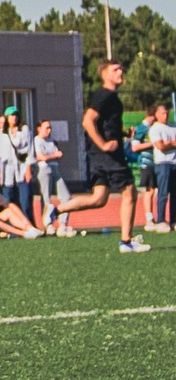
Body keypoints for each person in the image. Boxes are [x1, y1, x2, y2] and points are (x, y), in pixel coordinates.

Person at [56, 61, 147, 253]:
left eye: (121, 68)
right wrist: (104, 144)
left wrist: (122, 134)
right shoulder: (104, 95)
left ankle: (57, 210)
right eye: (115, 69)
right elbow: (87, 121)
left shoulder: (112, 98)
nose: (121, 71)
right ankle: (126, 242)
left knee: (99, 198)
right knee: (130, 191)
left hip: (98, 156)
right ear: (105, 75)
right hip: (107, 155)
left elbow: (105, 125)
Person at [29, 118, 70, 233]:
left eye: (50, 127)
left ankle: (63, 223)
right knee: (46, 197)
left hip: (55, 169)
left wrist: (52, 155)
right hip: (44, 169)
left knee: (66, 196)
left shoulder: (51, 140)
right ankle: (48, 224)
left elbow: (56, 154)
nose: (49, 130)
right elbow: (42, 157)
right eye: (46, 127)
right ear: (39, 129)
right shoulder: (37, 141)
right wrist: (54, 155)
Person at [147, 103, 176, 234]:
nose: (166, 115)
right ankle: (161, 220)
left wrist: (168, 144)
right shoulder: (155, 128)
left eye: (167, 113)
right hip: (163, 163)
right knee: (163, 193)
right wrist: (171, 144)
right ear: (157, 115)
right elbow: (161, 146)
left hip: (174, 163)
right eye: (163, 113)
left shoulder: (173, 127)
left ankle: (174, 221)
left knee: (175, 194)